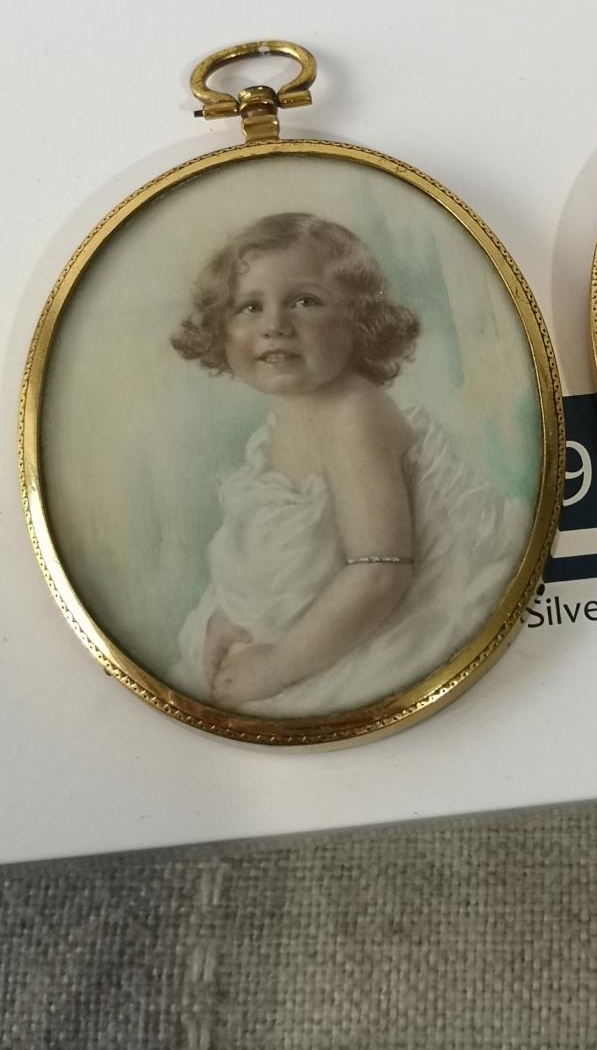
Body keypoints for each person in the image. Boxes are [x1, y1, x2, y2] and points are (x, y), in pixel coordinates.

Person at [167, 212, 528, 715]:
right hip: (316, 617)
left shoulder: (352, 414)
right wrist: (237, 614)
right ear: (220, 331)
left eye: (304, 301)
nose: (274, 325)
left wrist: (276, 665)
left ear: (358, 320)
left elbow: (379, 573)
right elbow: (286, 559)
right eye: (249, 307)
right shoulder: (281, 422)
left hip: (387, 617)